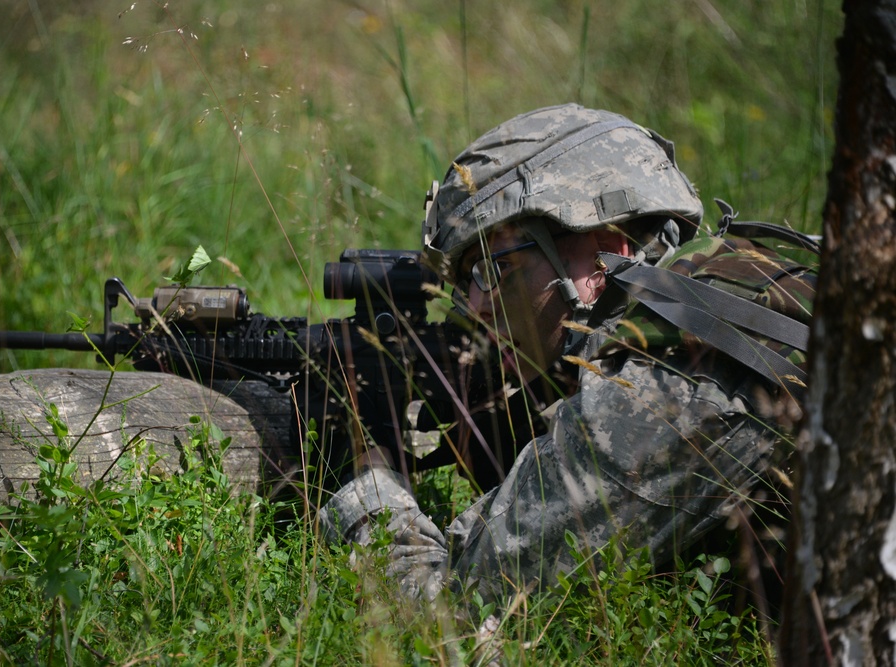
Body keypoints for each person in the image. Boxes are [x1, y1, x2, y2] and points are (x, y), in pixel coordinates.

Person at [317, 104, 813, 607]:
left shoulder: (670, 384)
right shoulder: (728, 297)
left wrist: (370, 484)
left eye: (491, 268)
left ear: (601, 253)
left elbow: (454, 622)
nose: (473, 306)